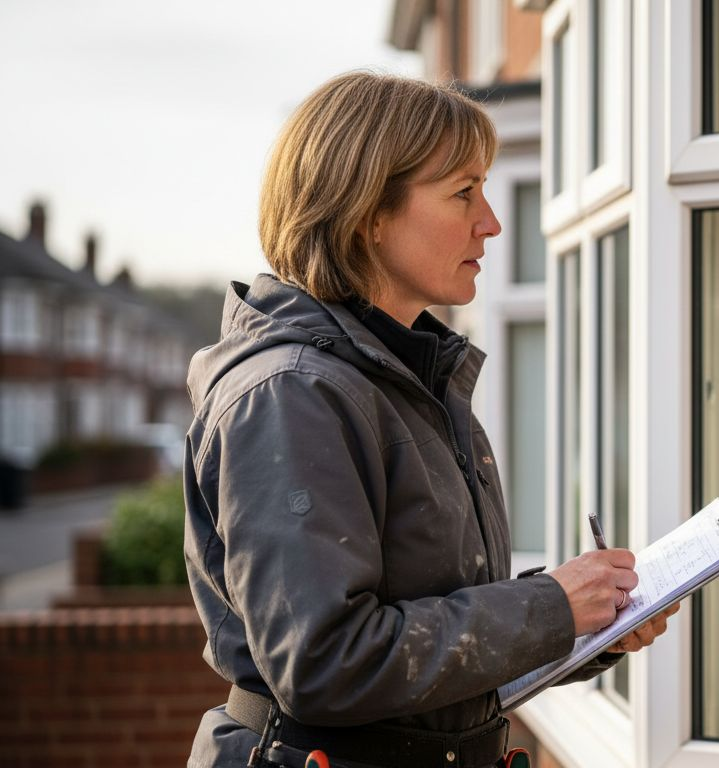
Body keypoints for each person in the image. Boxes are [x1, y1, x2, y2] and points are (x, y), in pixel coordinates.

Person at [184, 71, 677, 768]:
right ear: (368, 214)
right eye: (464, 192)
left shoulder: (410, 380)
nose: (491, 222)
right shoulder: (291, 394)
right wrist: (550, 607)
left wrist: (585, 621)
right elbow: (324, 662)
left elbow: (434, 653)